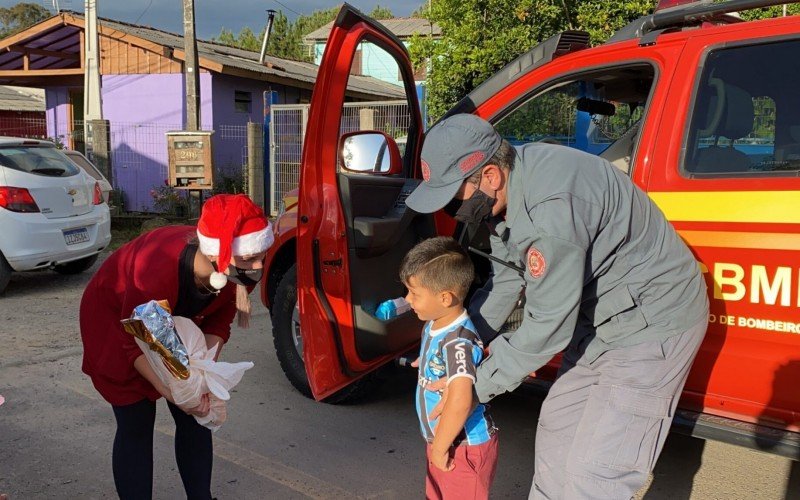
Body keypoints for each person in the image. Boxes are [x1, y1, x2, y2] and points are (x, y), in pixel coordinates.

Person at [405, 114, 709, 499]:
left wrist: (468, 386)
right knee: (556, 437)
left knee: (596, 472)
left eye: (453, 197)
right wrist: (455, 344)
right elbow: (507, 280)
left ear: (490, 177)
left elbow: (548, 323)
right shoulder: (512, 187)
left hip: (650, 325)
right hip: (597, 322)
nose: (451, 208)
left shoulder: (552, 210)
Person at [79, 194, 273, 500]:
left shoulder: (238, 270)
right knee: (137, 423)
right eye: (251, 257)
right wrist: (172, 391)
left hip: (176, 320)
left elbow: (218, 322)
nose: (259, 264)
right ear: (216, 255)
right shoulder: (156, 269)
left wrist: (201, 377)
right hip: (118, 322)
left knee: (196, 415)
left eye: (262, 253)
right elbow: (136, 343)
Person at [400, 236, 499, 500]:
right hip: (444, 440)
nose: (408, 299)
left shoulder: (458, 343)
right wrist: (427, 362)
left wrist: (440, 449)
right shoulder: (434, 323)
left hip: (461, 447)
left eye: (415, 293)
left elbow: (460, 401)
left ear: (445, 298)